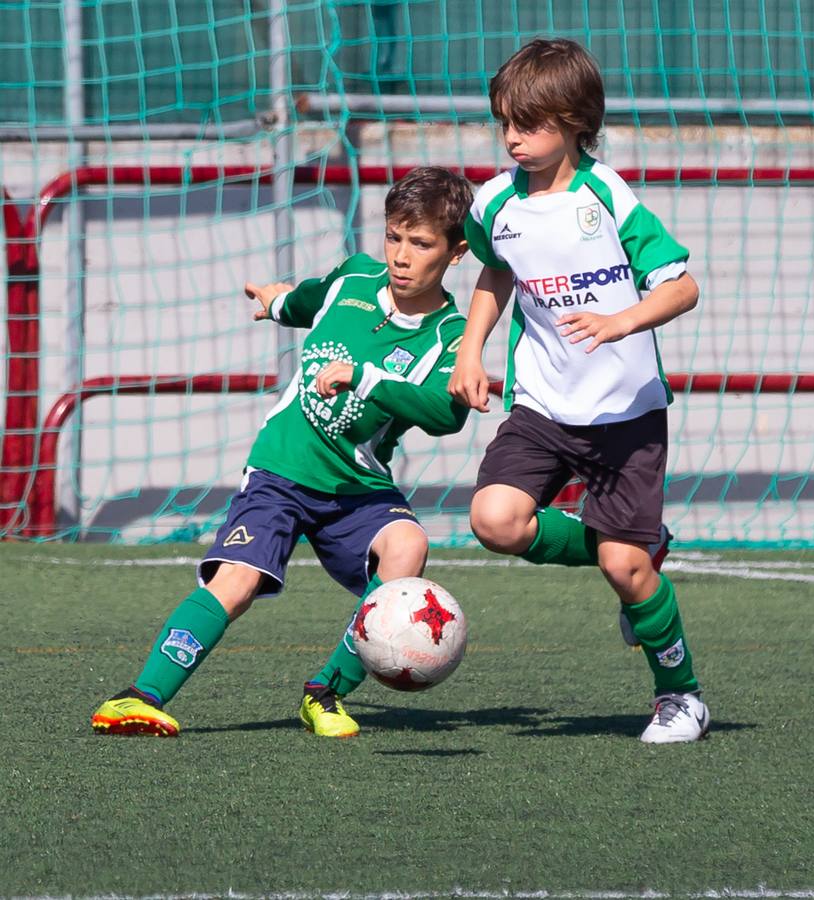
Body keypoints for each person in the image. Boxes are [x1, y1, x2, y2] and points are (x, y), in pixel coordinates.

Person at [91, 166, 473, 739]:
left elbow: (446, 413)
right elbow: (308, 302)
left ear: (456, 252)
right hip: (283, 466)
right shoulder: (354, 280)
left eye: (420, 244)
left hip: (356, 486)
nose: (400, 255)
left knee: (407, 543)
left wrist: (364, 377)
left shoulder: (451, 334)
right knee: (237, 582)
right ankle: (140, 696)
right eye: (394, 236)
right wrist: (275, 303)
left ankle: (325, 694)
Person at [448, 38, 710, 743]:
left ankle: (681, 697)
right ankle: (632, 547)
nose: (512, 139)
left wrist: (623, 320)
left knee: (625, 570)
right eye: (504, 123)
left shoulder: (608, 195)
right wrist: (470, 349)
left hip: (626, 415)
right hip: (541, 405)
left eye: (528, 125)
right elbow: (496, 272)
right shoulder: (495, 202)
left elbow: (682, 286)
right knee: (495, 520)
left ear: (573, 122)